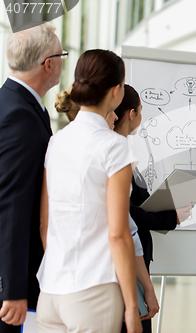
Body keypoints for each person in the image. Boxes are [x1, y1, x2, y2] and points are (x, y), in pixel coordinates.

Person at [36, 49, 142, 333]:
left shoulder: (56, 142)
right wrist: (132, 306)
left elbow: (45, 223)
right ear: (116, 91)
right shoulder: (114, 146)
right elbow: (118, 234)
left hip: (51, 290)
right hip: (94, 290)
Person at [54, 85, 160, 330]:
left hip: (69, 281)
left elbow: (46, 223)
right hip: (109, 281)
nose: (116, 116)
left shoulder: (58, 144)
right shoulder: (113, 153)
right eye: (112, 112)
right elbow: (125, 234)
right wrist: (143, 294)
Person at [113, 84, 191, 333]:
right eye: (141, 111)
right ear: (132, 114)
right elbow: (126, 215)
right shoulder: (116, 151)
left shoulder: (123, 149)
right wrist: (171, 217)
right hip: (125, 262)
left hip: (133, 258)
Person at [0, 23, 63, 332]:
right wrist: (12, 289)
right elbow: (12, 203)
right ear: (48, 64)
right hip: (12, 286)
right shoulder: (18, 115)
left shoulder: (18, 104)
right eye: (62, 54)